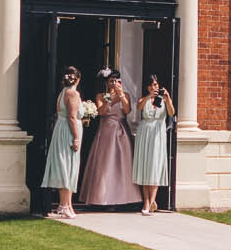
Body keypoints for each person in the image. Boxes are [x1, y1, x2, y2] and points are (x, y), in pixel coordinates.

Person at [77, 68, 140, 208]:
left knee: (122, 163)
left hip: (121, 130)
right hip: (106, 130)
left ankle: (123, 198)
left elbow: (128, 111)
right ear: (107, 82)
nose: (113, 83)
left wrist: (121, 96)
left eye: (116, 81)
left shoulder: (126, 95)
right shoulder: (101, 96)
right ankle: (102, 198)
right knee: (105, 163)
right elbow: (101, 112)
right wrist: (111, 100)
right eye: (111, 81)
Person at [41, 66, 83, 219]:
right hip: (68, 131)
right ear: (78, 79)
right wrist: (76, 137)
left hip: (61, 128)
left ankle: (67, 204)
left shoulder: (62, 93)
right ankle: (65, 205)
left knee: (67, 166)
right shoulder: (73, 93)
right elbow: (72, 117)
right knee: (68, 166)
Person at [132, 73, 174, 215]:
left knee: (154, 166)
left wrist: (167, 99)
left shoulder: (163, 99)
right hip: (145, 133)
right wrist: (149, 96)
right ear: (147, 87)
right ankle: (146, 201)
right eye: (152, 85)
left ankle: (152, 200)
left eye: (156, 85)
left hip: (157, 134)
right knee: (145, 166)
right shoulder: (144, 99)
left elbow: (171, 113)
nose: (154, 87)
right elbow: (139, 108)